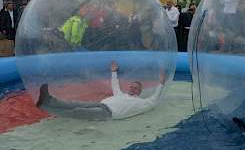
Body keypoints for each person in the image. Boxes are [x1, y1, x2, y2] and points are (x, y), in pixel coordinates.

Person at [36, 61, 166, 120]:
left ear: (140, 91)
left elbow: (154, 99)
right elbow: (115, 85)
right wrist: (114, 71)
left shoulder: (142, 103)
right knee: (74, 103)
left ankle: (49, 108)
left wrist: (161, 83)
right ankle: (48, 100)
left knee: (79, 111)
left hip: (108, 113)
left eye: (136, 87)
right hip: (102, 104)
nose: (132, 88)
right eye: (132, 86)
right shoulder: (122, 94)